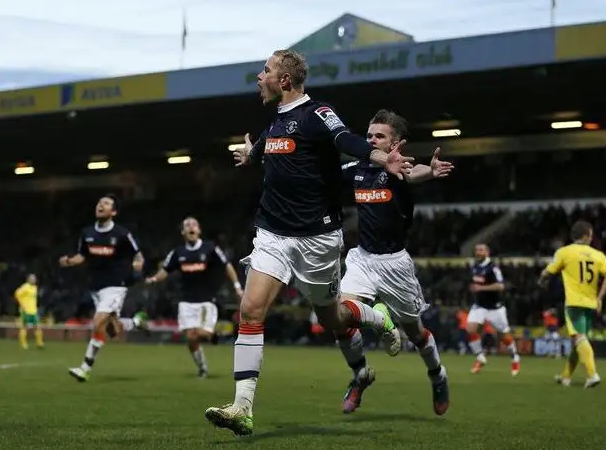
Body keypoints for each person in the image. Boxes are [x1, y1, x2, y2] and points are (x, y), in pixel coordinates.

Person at [205, 49, 413, 436]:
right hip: (272, 233)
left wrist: (379, 156)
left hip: (317, 238)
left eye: (264, 70)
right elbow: (266, 147)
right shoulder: (274, 123)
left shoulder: (317, 113)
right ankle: (242, 407)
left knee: (332, 317)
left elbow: (344, 138)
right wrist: (249, 153)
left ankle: (375, 316)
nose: (259, 76)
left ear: (284, 80)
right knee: (250, 310)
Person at [338, 109, 452, 416]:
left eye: (380, 136)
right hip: (362, 258)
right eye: (369, 135)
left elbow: (412, 174)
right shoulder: (358, 168)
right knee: (340, 316)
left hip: (395, 265)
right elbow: (324, 177)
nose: (372, 140)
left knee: (416, 333)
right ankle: (361, 375)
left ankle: (437, 375)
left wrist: (430, 171)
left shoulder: (400, 168)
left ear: (396, 143)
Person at [60, 194, 149, 382]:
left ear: (113, 212)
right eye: (99, 202)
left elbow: (138, 255)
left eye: (106, 203)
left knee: (98, 321)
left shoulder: (122, 234)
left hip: (116, 285)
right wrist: (69, 261)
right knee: (112, 331)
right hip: (96, 286)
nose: (101, 205)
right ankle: (135, 322)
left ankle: (85, 368)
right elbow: (82, 256)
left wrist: (137, 266)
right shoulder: (87, 233)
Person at [146, 217, 244, 378]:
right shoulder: (178, 252)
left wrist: (237, 287)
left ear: (199, 230)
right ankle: (203, 368)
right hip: (186, 301)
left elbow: (227, 265)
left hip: (206, 300)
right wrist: (154, 278)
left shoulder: (210, 248)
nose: (191, 227)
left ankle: (214, 336)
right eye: (187, 225)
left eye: (194, 225)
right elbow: (166, 270)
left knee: (201, 333)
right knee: (190, 337)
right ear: (183, 232)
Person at [539, 220, 606, 388]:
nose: (592, 239)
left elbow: (548, 271)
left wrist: (541, 279)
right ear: (586, 235)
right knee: (577, 342)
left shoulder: (565, 252)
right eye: (591, 236)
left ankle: (592, 374)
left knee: (579, 338)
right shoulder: (598, 255)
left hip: (573, 303)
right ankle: (566, 376)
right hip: (591, 303)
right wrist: (600, 297)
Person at [467, 244, 521, 375]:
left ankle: (514, 356)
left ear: (487, 252)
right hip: (479, 306)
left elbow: (500, 286)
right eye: (477, 250)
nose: (478, 252)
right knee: (470, 329)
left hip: (494, 308)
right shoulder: (474, 267)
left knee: (504, 335)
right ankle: (480, 357)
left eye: (481, 250)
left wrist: (481, 288)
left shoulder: (493, 267)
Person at [14, 273, 44, 349]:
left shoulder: (34, 288)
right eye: (31, 278)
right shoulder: (25, 287)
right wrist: (22, 305)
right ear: (28, 279)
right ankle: (24, 344)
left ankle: (39, 343)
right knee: (25, 327)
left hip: (34, 311)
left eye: (34, 278)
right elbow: (17, 294)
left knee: (37, 326)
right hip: (25, 311)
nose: (33, 280)